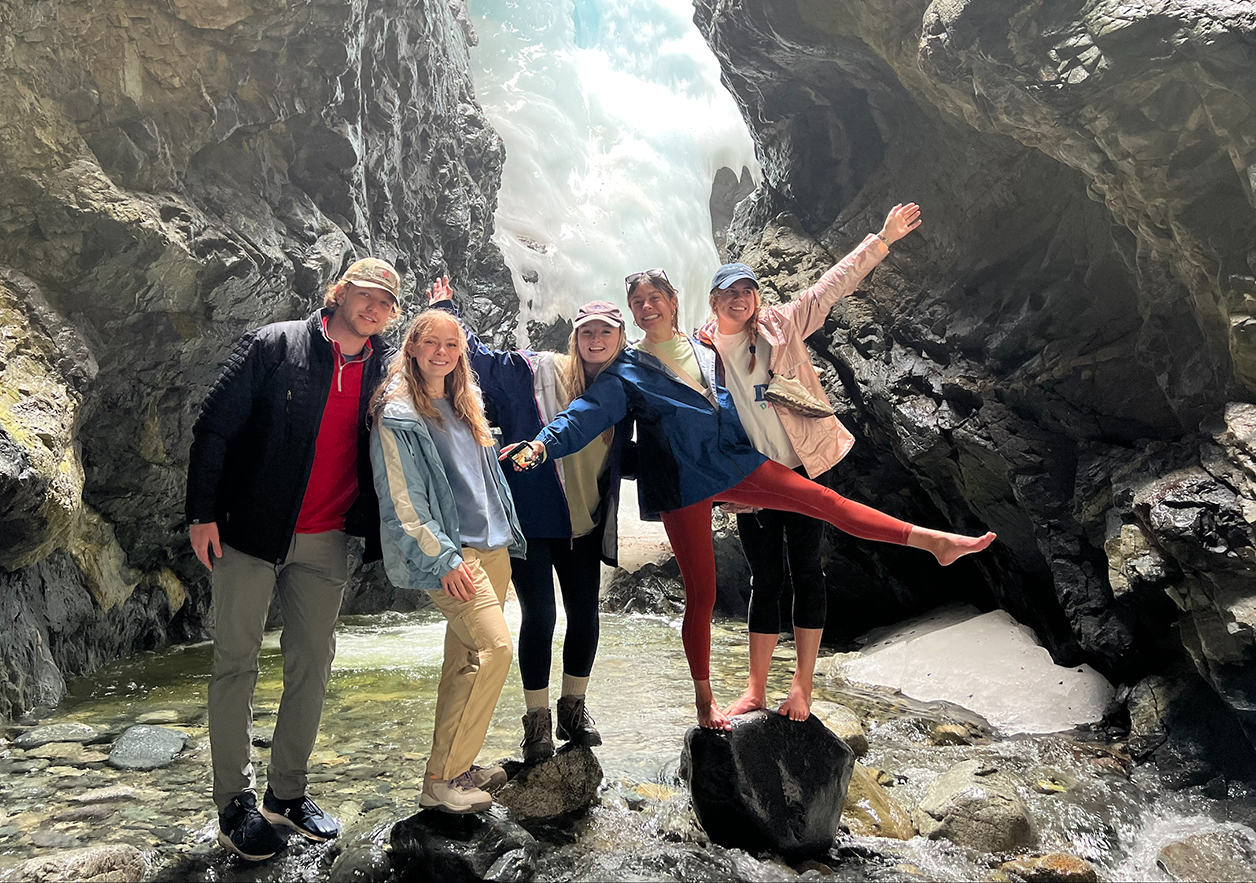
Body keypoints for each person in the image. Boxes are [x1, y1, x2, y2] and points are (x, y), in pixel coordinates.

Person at [504, 252, 995, 730]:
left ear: (674, 302)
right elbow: (584, 416)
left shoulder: (705, 347)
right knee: (703, 595)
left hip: (736, 461)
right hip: (683, 485)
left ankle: (932, 541)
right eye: (638, 300)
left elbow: (760, 367)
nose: (647, 305)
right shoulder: (626, 370)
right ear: (632, 312)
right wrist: (542, 445)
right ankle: (704, 701)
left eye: (656, 296)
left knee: (826, 502)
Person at [185, 257, 402, 860]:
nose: (374, 308)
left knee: (313, 662)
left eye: (386, 303)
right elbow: (213, 427)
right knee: (236, 662)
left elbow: (448, 374)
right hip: (248, 534)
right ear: (339, 294)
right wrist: (201, 512)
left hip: (327, 537)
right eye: (365, 295)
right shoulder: (274, 344)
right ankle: (233, 801)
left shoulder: (387, 369)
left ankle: (287, 794)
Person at [698, 203, 921, 723]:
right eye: (730, 292)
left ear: (757, 297)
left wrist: (882, 239)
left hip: (799, 469)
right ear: (713, 301)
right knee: (764, 578)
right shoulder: (700, 351)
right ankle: (754, 690)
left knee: (807, 571)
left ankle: (802, 687)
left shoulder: (781, 324)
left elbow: (829, 287)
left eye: (747, 290)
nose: (740, 299)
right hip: (749, 481)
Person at [426, 276, 633, 762]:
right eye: (587, 332)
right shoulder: (538, 371)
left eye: (605, 332)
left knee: (585, 614)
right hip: (531, 520)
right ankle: (536, 719)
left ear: (620, 338)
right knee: (540, 615)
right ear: (575, 338)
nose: (596, 340)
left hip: (584, 521)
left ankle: (573, 706)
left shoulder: (627, 386)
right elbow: (480, 360)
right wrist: (447, 309)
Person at [371, 308, 528, 814]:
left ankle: (451, 769)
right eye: (431, 343)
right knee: (497, 651)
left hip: (494, 547)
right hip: (453, 556)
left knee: (463, 663)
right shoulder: (397, 414)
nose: (442, 352)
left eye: (452, 345)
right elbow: (402, 500)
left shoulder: (467, 403)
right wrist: (444, 558)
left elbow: (485, 480)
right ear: (412, 348)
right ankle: (442, 782)